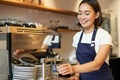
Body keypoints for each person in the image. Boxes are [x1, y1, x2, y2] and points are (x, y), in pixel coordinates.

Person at [57, 0, 114, 80]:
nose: (82, 17)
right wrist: (76, 75)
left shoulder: (104, 35)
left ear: (96, 15)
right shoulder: (77, 36)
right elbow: (80, 61)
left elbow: (97, 64)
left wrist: (73, 69)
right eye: (80, 13)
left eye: (87, 13)